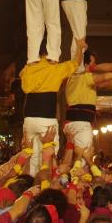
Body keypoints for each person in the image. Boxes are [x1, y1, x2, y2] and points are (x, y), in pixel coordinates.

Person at [20, 38, 85, 176]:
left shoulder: (28, 68)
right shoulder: (55, 69)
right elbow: (75, 63)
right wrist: (79, 47)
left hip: (29, 119)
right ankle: (45, 187)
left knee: (32, 156)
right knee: (48, 155)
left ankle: (30, 184)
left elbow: (22, 78)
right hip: (46, 119)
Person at [64, 52, 112, 150]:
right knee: (84, 154)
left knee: (76, 153)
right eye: (92, 63)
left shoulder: (72, 77)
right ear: (85, 64)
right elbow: (106, 76)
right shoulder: (84, 76)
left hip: (73, 120)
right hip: (81, 122)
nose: (94, 66)